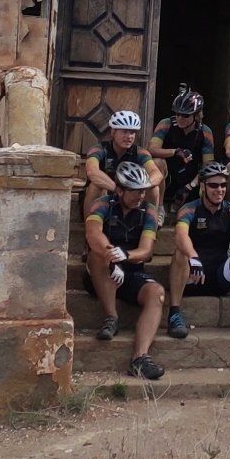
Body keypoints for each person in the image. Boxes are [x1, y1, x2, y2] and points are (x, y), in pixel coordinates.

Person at [83, 161, 165, 380]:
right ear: (119, 190)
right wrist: (112, 255)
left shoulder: (148, 211)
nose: (140, 196)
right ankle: (111, 317)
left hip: (131, 270)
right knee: (96, 256)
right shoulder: (102, 204)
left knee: (156, 293)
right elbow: (93, 234)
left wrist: (126, 256)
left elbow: (146, 250)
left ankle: (140, 358)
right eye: (135, 192)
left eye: (143, 191)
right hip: (102, 270)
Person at [167, 161, 230, 338]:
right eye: (213, 185)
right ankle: (174, 314)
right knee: (180, 252)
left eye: (223, 185)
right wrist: (193, 257)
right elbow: (180, 235)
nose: (219, 190)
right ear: (202, 186)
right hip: (193, 274)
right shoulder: (189, 209)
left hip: (221, 275)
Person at [148, 85, 214, 211]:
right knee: (157, 162)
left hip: (190, 181)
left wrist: (190, 186)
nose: (180, 118)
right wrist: (175, 152)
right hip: (167, 177)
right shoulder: (166, 124)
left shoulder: (205, 132)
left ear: (196, 116)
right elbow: (151, 149)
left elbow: (208, 165)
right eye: (177, 114)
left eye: (185, 115)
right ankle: (159, 209)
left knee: (212, 176)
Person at [84, 109, 161, 214]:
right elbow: (92, 172)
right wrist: (117, 189)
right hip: (107, 193)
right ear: (113, 132)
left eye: (132, 132)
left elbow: (157, 174)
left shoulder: (141, 152)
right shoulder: (99, 149)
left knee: (154, 189)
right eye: (124, 131)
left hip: (131, 196)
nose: (129, 137)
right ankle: (91, 227)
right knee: (95, 186)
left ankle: (149, 225)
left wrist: (140, 189)